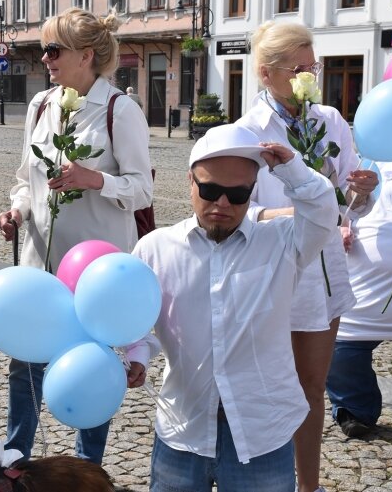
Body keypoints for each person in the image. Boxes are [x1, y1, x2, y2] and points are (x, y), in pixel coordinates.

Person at [125, 124, 337, 491]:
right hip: (184, 427)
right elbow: (138, 325)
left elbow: (323, 212)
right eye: (209, 190)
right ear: (189, 181)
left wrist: (292, 169)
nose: (222, 204)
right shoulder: (154, 249)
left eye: (237, 194)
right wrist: (138, 355)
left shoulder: (284, 241)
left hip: (262, 431)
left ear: (253, 191)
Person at [0, 6, 152, 465]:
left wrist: (95, 179)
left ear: (86, 55)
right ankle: (15, 461)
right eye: (43, 49)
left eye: (52, 49)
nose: (44, 58)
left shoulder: (118, 111)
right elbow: (26, 179)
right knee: (24, 367)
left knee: (91, 372)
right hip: (40, 263)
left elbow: (142, 189)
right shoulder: (40, 106)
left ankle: (86, 470)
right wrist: (18, 210)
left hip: (94, 274)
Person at [234, 20, 378, 492]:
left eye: (311, 68)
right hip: (273, 272)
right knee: (269, 385)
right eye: (297, 69)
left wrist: (361, 191)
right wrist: (297, 213)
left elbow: (349, 208)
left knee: (311, 387)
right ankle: (260, 479)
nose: (307, 78)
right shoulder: (247, 131)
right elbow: (240, 214)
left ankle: (307, 486)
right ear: (266, 73)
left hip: (323, 275)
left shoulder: (330, 121)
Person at [325, 162, 392, 438]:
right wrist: (340, 226)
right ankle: (354, 408)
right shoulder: (366, 157)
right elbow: (340, 207)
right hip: (363, 294)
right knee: (338, 350)